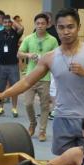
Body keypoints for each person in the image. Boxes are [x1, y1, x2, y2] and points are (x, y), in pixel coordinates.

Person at [0, 8, 84, 155]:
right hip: (62, 119)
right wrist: (3, 95)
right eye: (61, 27)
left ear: (78, 27)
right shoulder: (50, 57)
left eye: (70, 27)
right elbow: (27, 82)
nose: (66, 32)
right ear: (56, 28)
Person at [17, 13, 58, 141]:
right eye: (38, 23)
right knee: (28, 103)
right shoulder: (29, 38)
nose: (40, 26)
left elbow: (57, 56)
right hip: (30, 76)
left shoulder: (52, 40)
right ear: (35, 24)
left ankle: (42, 131)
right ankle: (32, 123)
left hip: (45, 77)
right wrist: (29, 55)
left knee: (45, 106)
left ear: (47, 25)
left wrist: (47, 59)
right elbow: (19, 53)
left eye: (43, 23)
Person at [0, 14, 24, 118]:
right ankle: (0, 107)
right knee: (0, 88)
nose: (7, 24)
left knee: (15, 87)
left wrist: (11, 18)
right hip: (1, 64)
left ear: (11, 23)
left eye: (9, 22)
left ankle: (14, 108)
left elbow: (21, 27)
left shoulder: (15, 33)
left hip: (13, 65)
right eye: (5, 22)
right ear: (2, 23)